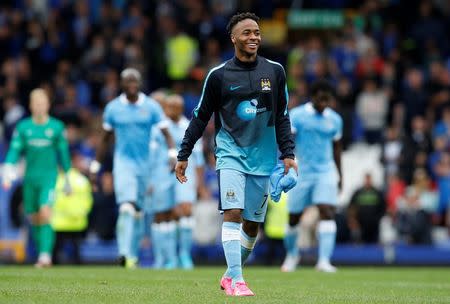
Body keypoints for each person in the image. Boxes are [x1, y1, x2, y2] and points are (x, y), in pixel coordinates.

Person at [175, 12, 297, 296]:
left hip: (263, 159)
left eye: (256, 32)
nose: (254, 37)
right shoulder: (218, 76)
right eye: (247, 33)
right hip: (230, 154)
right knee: (232, 213)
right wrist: (184, 154)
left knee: (253, 226)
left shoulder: (275, 71)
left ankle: (231, 274)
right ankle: (238, 281)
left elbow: (282, 116)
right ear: (233, 38)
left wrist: (287, 154)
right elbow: (200, 117)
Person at [89, 68, 175, 269]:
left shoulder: (152, 106)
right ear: (121, 83)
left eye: (135, 81)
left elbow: (166, 133)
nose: (131, 85)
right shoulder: (113, 108)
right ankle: (123, 253)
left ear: (140, 83)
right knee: (126, 207)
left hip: (145, 167)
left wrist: (172, 155)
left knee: (138, 211)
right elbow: (104, 138)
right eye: (127, 81)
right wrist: (95, 165)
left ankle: (132, 256)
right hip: (123, 164)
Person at [2, 88, 72, 267]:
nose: (40, 107)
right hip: (30, 178)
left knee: (45, 211)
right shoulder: (24, 127)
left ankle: (45, 255)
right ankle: (42, 252)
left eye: (43, 103)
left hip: (49, 177)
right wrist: (9, 165)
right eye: (37, 104)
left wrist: (68, 177)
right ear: (31, 106)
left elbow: (63, 153)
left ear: (48, 105)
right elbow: (15, 150)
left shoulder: (56, 127)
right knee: (34, 218)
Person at [282, 79, 343, 273]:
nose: (324, 104)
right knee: (294, 218)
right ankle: (292, 255)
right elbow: (288, 141)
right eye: (321, 100)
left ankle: (324, 261)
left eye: (327, 100)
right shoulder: (298, 115)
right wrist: (286, 163)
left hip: (325, 171)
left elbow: (337, 147)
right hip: (302, 171)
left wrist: (341, 175)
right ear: (313, 97)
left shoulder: (334, 119)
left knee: (326, 210)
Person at [347, 173, 385, 244]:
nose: (368, 181)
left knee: (374, 244)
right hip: (361, 225)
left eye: (369, 179)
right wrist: (353, 220)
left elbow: (383, 207)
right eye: (366, 179)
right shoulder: (358, 192)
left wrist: (378, 218)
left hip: (374, 225)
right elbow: (351, 207)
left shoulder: (377, 192)